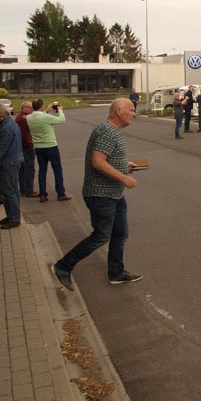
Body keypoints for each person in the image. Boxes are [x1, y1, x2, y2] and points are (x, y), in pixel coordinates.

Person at [52, 98, 141, 291]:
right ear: (119, 112)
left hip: (114, 194)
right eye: (131, 110)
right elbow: (98, 162)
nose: (134, 114)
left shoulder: (110, 130)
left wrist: (124, 166)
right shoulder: (107, 131)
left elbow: (107, 159)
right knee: (101, 236)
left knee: (120, 233)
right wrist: (123, 177)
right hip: (101, 195)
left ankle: (116, 273)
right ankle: (63, 266)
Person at [27, 99, 72, 202]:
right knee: (57, 169)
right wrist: (60, 110)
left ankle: (43, 194)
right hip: (51, 146)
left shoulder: (29, 118)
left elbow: (39, 116)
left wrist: (47, 110)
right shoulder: (46, 117)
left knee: (42, 170)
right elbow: (62, 120)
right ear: (41, 106)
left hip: (38, 147)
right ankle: (61, 193)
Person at [0, 104, 23, 229]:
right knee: (12, 191)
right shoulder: (9, 124)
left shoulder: (6, 128)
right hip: (13, 161)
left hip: (8, 163)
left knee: (9, 191)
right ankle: (12, 216)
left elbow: (1, 149)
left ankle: (14, 218)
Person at [14, 101, 37, 198]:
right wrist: (30, 145)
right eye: (30, 107)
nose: (32, 109)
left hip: (21, 147)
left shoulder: (20, 117)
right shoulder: (23, 119)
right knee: (29, 169)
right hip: (26, 148)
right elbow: (24, 135)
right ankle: (28, 190)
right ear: (24, 108)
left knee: (22, 169)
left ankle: (23, 190)